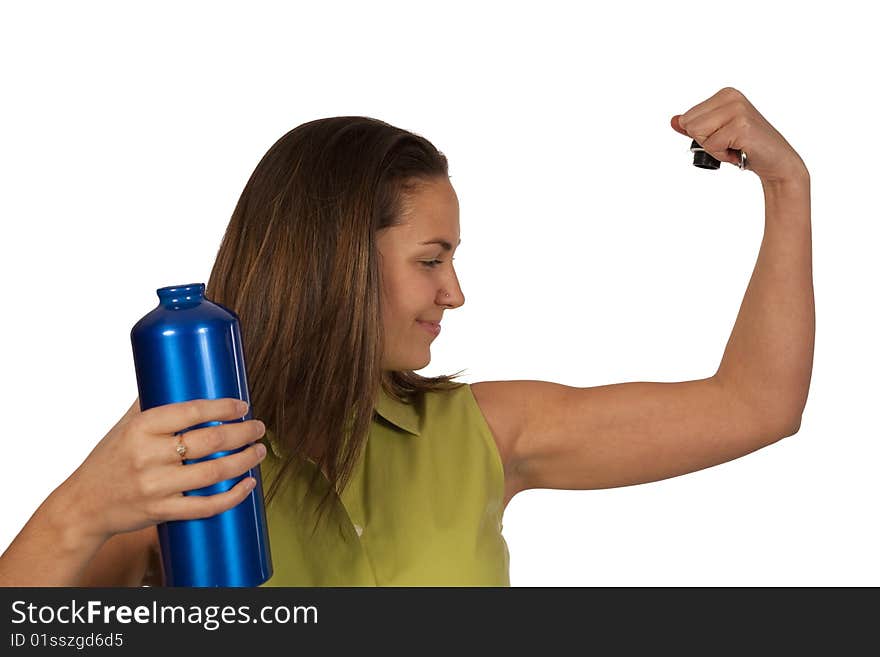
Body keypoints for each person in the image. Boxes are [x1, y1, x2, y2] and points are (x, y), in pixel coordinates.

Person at [0, 86, 814, 587]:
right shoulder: (184, 473)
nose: (455, 292)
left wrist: (788, 185)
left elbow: (757, 405)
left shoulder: (486, 435)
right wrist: (77, 510)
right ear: (336, 266)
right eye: (432, 259)